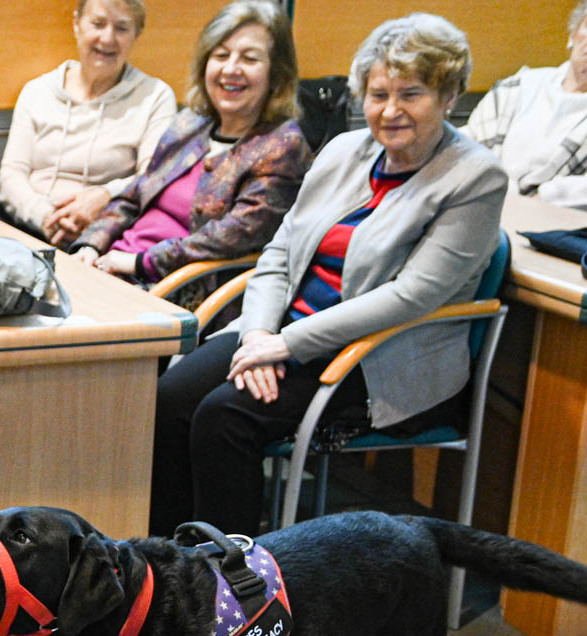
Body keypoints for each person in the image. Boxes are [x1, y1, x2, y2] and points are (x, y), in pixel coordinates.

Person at [150, 14, 508, 539]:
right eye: (378, 94)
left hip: (377, 355)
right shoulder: (344, 151)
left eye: (411, 94)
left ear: (449, 95)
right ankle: (168, 563)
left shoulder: (475, 176)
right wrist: (258, 335)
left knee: (226, 417)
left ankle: (235, 579)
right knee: (171, 399)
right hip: (281, 333)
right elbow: (279, 251)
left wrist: (285, 345)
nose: (390, 110)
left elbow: (412, 295)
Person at [72, 0, 311, 299]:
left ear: (276, 73)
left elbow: (231, 237)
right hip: (114, 269)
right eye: (220, 55)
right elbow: (134, 196)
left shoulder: (282, 146)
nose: (230, 69)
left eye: (249, 59)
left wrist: (139, 262)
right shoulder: (189, 123)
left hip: (175, 290)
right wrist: (91, 244)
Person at [0, 0, 177, 247]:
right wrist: (45, 217)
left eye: (121, 28)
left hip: (100, 237)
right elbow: (11, 174)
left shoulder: (155, 97)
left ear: (137, 35)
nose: (107, 38)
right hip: (24, 224)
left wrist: (104, 195)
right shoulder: (38, 91)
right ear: (77, 24)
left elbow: (153, 177)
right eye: (98, 24)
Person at [464, 0, 587, 212]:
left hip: (564, 220)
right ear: (573, 34)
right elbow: (466, 145)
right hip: (484, 205)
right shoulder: (518, 86)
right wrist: (500, 193)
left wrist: (542, 199)